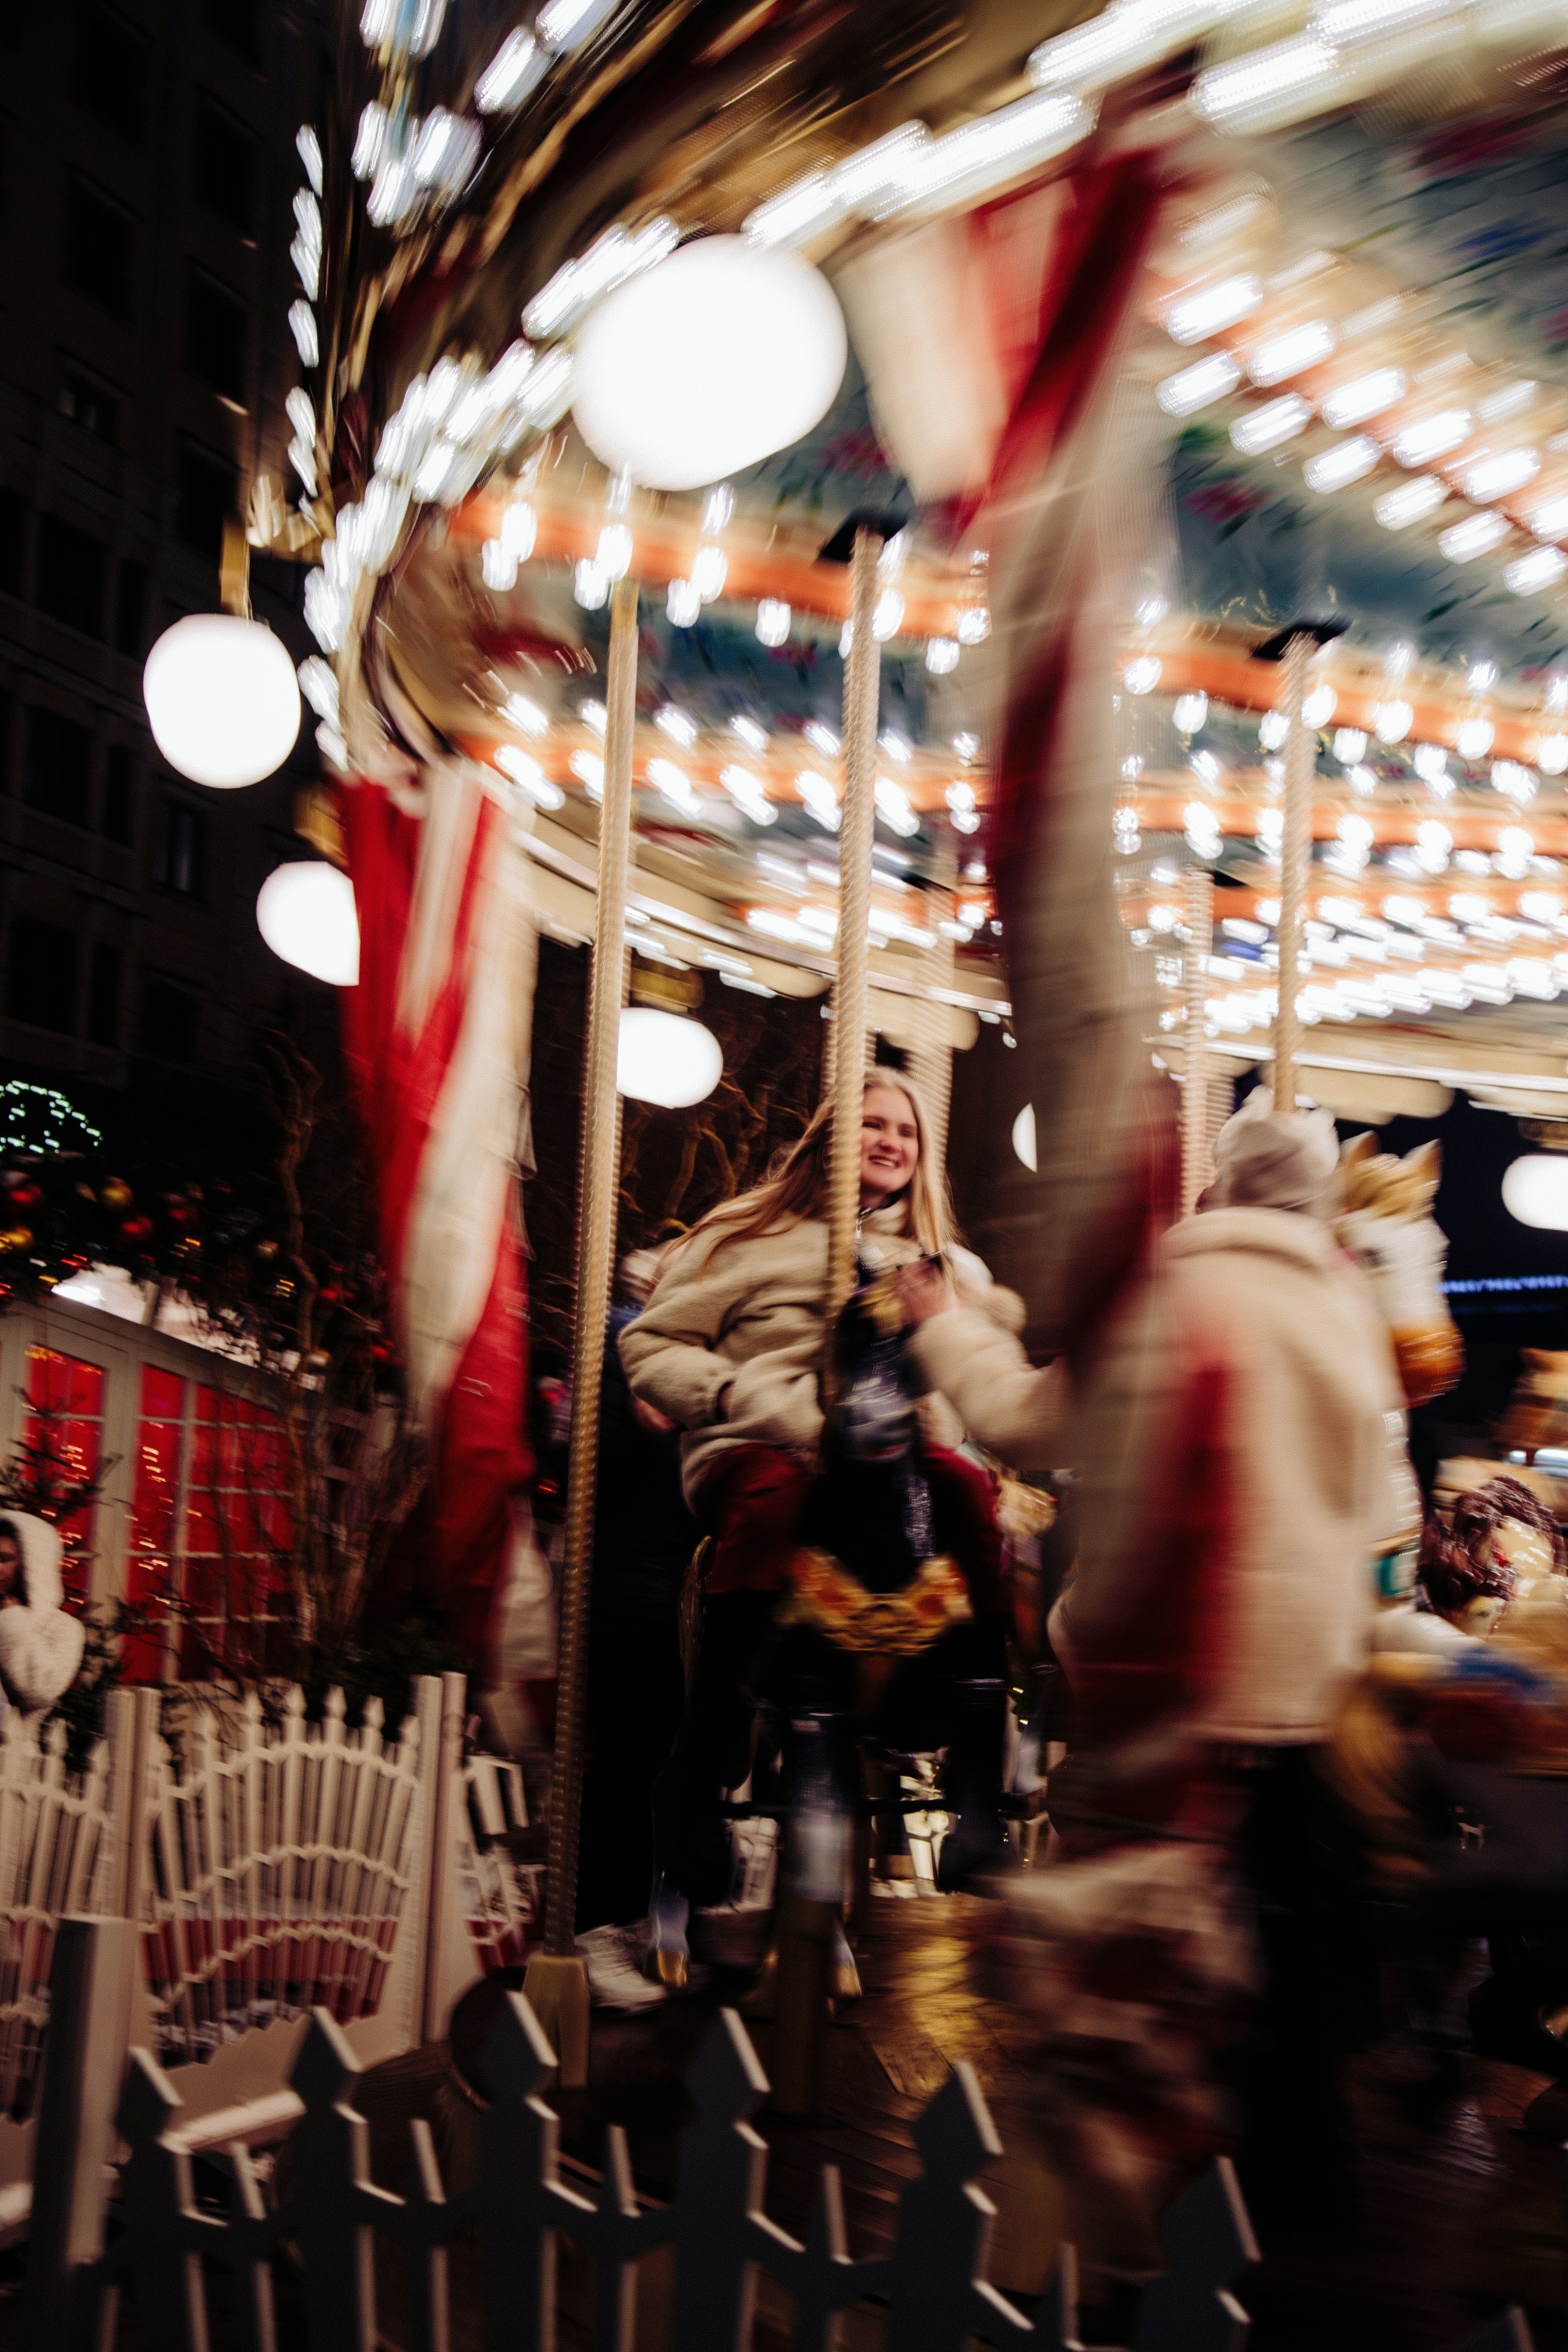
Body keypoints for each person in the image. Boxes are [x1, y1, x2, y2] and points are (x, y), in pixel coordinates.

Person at [900, 1091, 1406, 2243]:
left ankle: (1121, 2183)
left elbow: (1029, 1419)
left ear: (1214, 1187)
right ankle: (1308, 2192)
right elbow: (1379, 1495)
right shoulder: (1345, 1306)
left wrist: (943, 1320)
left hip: (1187, 1679)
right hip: (1311, 1687)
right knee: (1298, 1943)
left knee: (1138, 1933)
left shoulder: (1177, 1293)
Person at [619, 1073, 1014, 1909]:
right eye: (871, 1124)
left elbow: (978, 1372)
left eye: (904, 1131)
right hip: (769, 1442)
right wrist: (734, 1396)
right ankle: (704, 1759)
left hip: (898, 1463)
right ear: (830, 1136)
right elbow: (653, 1345)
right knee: (776, 1501)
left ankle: (979, 1780)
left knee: (971, 1494)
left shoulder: (946, 1265)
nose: (889, 1142)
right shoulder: (746, 1235)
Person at [575, 1247, 697, 1978]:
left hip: (675, 1584)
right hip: (637, 1585)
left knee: (672, 1766)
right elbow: (641, 1427)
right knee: (630, 1766)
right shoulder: (633, 1335)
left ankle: (662, 1926)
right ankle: (599, 1930)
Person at [0, 1512, 86, 1723]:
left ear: (31, 1564)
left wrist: (12, 1618)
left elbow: (38, 1691)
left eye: (5, 1559)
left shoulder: (64, 1628)